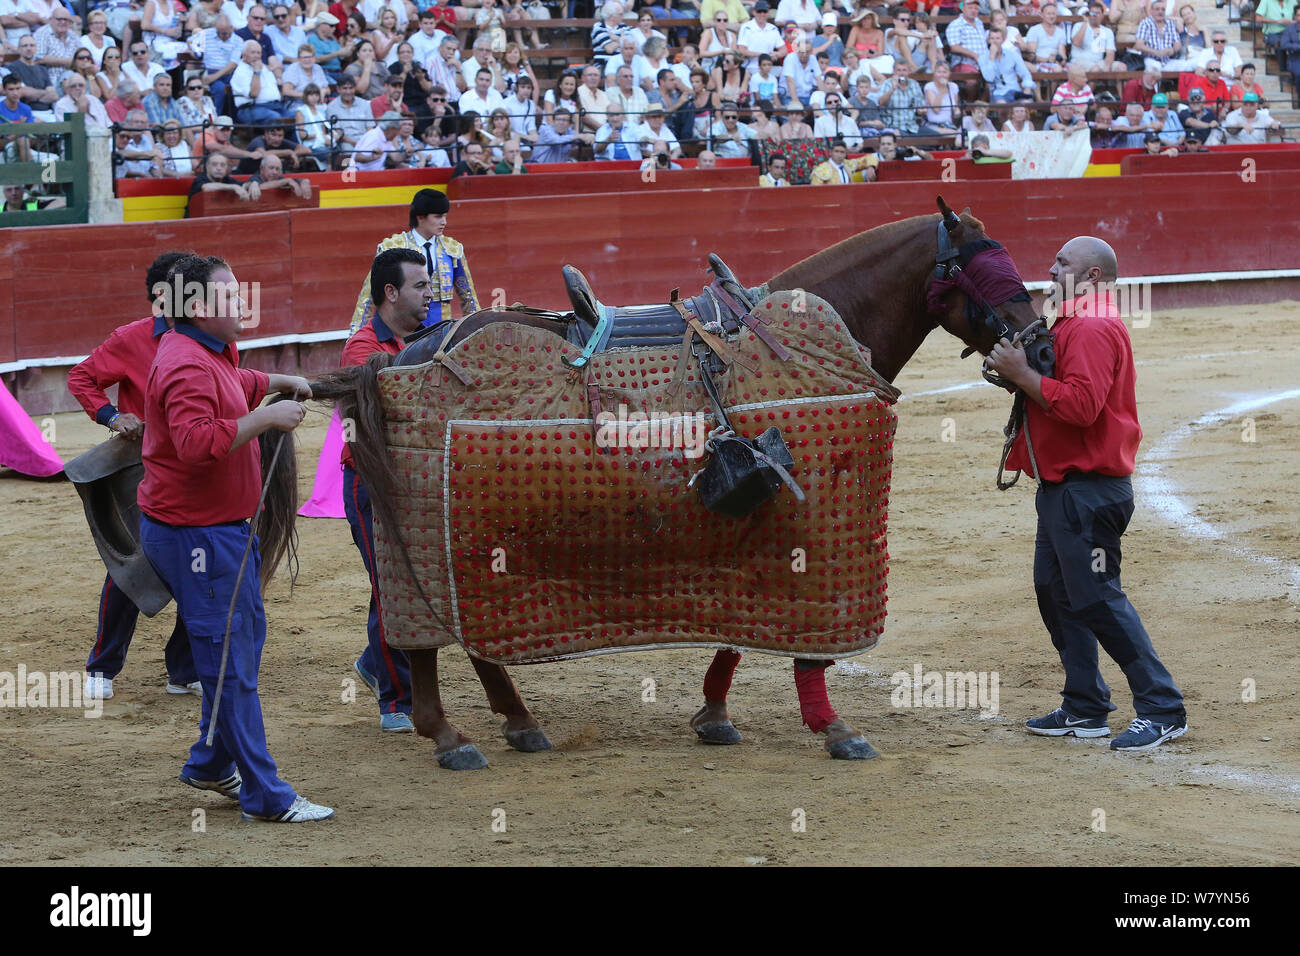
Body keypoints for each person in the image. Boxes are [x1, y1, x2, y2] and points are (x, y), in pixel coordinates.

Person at [137, 253, 332, 821]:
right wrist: (268, 419)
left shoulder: (204, 352)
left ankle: (209, 761)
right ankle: (265, 797)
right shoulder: (187, 365)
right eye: (231, 297)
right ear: (198, 307)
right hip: (199, 539)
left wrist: (277, 381)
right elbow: (198, 444)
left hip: (215, 533)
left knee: (240, 645)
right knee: (230, 663)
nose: (243, 304)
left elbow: (238, 383)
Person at [985, 236, 1187, 753]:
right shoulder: (1071, 322)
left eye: (1062, 263)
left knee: (1096, 597)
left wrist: (1023, 374)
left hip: (1090, 491)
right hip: (1062, 488)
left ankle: (1163, 709)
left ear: (1092, 275)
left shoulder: (1093, 326)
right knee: (1056, 593)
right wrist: (1019, 377)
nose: (1050, 269)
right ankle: (1085, 707)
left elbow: (1082, 409)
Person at [66, 252, 200, 702]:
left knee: (201, 565)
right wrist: (110, 415)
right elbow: (83, 377)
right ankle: (103, 665)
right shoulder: (132, 339)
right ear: (162, 295)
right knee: (133, 564)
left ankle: (183, 670)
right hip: (144, 471)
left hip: (199, 467)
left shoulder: (213, 340)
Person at [340, 247, 432, 735]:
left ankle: (377, 665)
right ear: (390, 293)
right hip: (371, 484)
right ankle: (395, 700)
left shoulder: (421, 341)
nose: (430, 294)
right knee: (391, 588)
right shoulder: (363, 350)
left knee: (403, 584)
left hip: (409, 484)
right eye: (420, 286)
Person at [349, 188, 478, 333]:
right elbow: (370, 294)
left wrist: (477, 330)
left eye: (445, 216)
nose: (444, 222)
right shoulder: (393, 247)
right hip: (402, 330)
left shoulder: (452, 249)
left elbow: (468, 296)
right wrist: (355, 333)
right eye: (438, 216)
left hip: (441, 331)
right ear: (420, 217)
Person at [979, 26, 1035, 103]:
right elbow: (989, 78)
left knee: (1027, 102)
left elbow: (1025, 73)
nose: (995, 41)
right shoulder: (983, 58)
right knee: (1002, 104)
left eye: (997, 38)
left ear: (1003, 40)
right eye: (992, 38)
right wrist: (991, 57)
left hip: (1015, 90)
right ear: (988, 40)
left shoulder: (1012, 54)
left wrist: (1027, 88)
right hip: (998, 93)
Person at [1135, 3, 1193, 73]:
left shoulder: (1170, 24)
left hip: (1167, 61)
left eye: (1163, 9)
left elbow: (1178, 45)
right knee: (1154, 71)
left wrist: (1173, 50)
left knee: (1190, 66)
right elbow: (1139, 45)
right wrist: (1156, 52)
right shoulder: (1145, 23)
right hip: (1151, 60)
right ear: (1151, 11)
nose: (1160, 12)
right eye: (1157, 9)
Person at [325, 74, 374, 157]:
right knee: (349, 152)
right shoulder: (332, 107)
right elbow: (337, 132)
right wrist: (355, 143)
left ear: (354, 89)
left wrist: (366, 142)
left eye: (351, 88)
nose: (348, 92)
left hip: (365, 139)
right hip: (346, 141)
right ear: (338, 89)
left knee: (378, 150)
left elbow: (370, 128)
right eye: (345, 88)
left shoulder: (365, 104)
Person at [1071, 2, 1120, 72]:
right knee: (1095, 69)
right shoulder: (1078, 26)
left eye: (1098, 13)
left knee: (1121, 67)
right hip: (1079, 61)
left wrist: (1107, 67)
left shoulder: (1107, 31)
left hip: (1099, 62)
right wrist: (1085, 22)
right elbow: (1077, 42)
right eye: (1093, 13)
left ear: (1102, 15)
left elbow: (1110, 52)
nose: (1095, 15)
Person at [737, 1, 782, 73]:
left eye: (765, 11)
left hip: (768, 68)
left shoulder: (773, 28)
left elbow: (784, 49)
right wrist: (762, 55)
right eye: (759, 11)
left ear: (768, 12)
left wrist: (777, 54)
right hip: (749, 68)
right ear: (754, 12)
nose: (762, 14)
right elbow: (741, 50)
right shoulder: (746, 27)